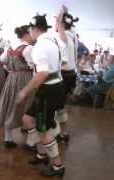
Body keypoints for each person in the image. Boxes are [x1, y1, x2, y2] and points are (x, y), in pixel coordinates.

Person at [17, 14, 66, 177]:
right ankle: (41, 154)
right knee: (27, 119)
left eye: (29, 29)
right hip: (56, 87)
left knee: (44, 130)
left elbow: (42, 74)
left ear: (34, 29)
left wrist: (25, 91)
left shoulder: (40, 46)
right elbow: (63, 60)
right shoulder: (54, 40)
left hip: (48, 90)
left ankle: (58, 166)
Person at [0, 25, 35, 149]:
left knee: (10, 105)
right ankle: (31, 142)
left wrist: (11, 70)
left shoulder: (10, 47)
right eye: (31, 32)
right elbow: (34, 66)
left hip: (12, 78)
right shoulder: (29, 48)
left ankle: (8, 139)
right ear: (27, 34)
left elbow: (3, 60)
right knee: (28, 107)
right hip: (26, 79)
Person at [54, 6, 79, 143]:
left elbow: (59, 25)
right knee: (60, 105)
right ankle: (62, 132)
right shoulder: (73, 34)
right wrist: (64, 14)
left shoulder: (63, 36)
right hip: (71, 73)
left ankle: (62, 133)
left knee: (58, 105)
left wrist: (61, 13)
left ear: (62, 25)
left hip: (63, 75)